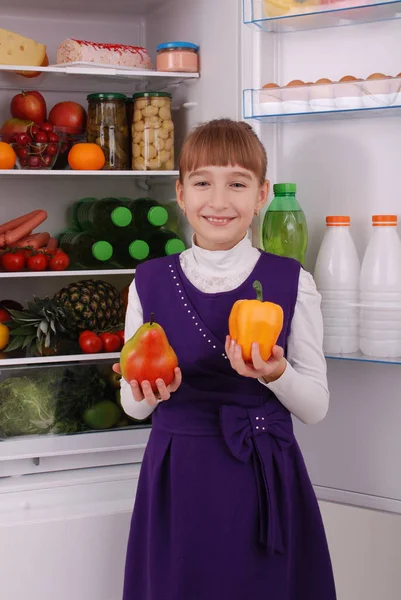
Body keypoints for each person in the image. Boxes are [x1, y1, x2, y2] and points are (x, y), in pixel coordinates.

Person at [113, 119, 336, 600]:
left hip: (263, 477)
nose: (218, 201)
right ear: (180, 193)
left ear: (261, 195)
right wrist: (147, 392)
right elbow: (133, 408)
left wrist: (276, 373)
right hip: (179, 477)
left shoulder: (292, 281)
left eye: (237, 183)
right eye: (202, 183)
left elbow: (315, 407)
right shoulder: (148, 281)